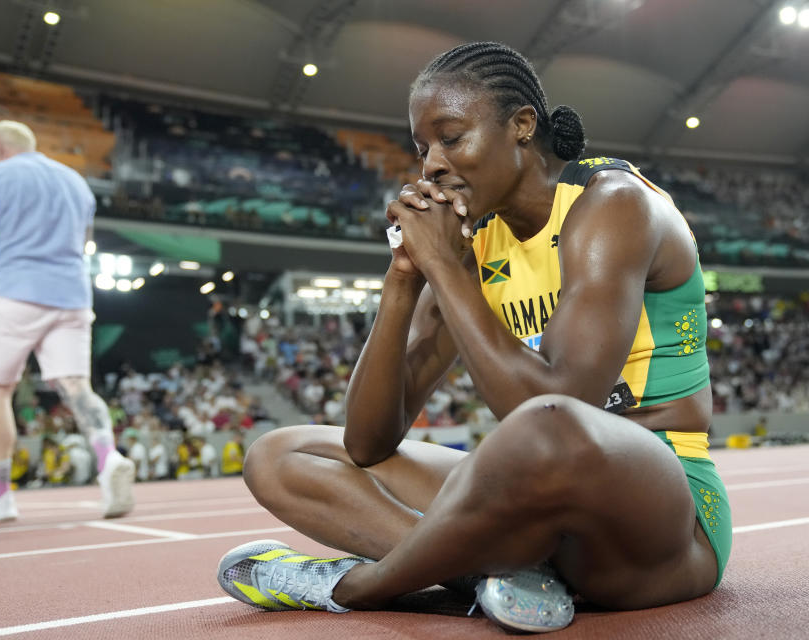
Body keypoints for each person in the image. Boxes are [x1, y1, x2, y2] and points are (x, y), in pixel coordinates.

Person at [217, 42, 731, 633]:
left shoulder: (612, 206)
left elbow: (555, 408)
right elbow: (367, 442)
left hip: (663, 512)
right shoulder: (476, 245)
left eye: (451, 137)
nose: (431, 164)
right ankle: (503, 576)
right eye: (421, 148)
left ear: (521, 126)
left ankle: (357, 585)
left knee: (548, 425)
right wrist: (405, 280)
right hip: (534, 502)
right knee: (279, 455)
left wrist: (451, 271)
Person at [0, 120, 135, 523]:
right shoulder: (75, 181)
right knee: (76, 385)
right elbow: (84, 241)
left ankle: (0, 495)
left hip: (16, 291)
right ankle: (107, 456)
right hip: (73, 294)